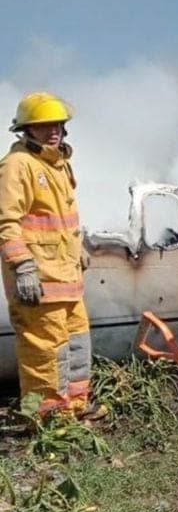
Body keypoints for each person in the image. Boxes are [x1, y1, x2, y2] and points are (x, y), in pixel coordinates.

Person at [0, 92, 95, 417]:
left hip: (67, 281)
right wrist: (23, 267)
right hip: (37, 284)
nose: (52, 130)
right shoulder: (17, 166)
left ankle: (75, 409)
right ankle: (40, 418)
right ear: (26, 129)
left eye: (57, 123)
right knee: (41, 357)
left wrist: (76, 245)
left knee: (77, 348)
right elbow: (6, 221)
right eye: (42, 125)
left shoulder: (58, 164)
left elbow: (58, 219)